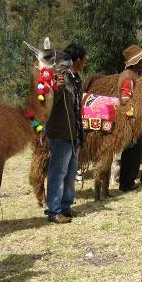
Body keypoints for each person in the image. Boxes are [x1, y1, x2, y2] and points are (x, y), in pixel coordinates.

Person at [44, 44, 86, 224]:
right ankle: (54, 210)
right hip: (60, 133)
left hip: (74, 133)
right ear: (77, 60)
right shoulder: (59, 78)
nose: (85, 62)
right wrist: (56, 88)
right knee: (57, 172)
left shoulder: (76, 79)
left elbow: (77, 106)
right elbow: (51, 103)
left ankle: (66, 207)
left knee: (70, 172)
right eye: (84, 59)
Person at [117, 44, 142, 192]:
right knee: (132, 152)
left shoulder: (135, 75)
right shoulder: (128, 77)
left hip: (139, 120)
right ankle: (126, 183)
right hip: (131, 121)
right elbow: (125, 100)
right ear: (135, 61)